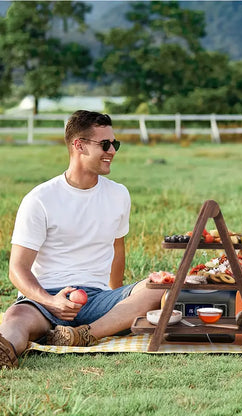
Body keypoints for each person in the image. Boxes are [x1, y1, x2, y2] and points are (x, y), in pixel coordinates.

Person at [0, 110, 163, 369]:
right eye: (105, 144)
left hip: (97, 300)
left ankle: (83, 335)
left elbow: (116, 250)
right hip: (44, 300)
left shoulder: (119, 194)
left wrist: (118, 300)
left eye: (115, 144)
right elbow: (17, 269)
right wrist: (51, 301)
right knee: (16, 317)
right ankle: (5, 350)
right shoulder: (40, 199)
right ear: (79, 145)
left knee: (161, 287)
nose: (112, 151)